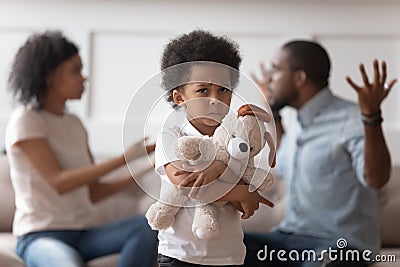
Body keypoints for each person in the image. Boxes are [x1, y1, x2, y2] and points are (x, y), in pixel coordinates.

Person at [5, 31, 158, 267]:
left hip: (84, 233)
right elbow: (60, 182)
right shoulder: (26, 120)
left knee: (148, 227)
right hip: (40, 235)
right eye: (75, 70)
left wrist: (147, 166)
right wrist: (125, 158)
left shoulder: (75, 124)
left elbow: (94, 192)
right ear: (49, 76)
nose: (84, 78)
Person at [244, 40, 397, 266]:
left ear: (299, 78)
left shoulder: (353, 118)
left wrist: (372, 117)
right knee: (228, 246)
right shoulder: (298, 121)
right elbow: (284, 162)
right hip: (288, 238)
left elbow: (376, 179)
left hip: (339, 245)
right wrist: (272, 110)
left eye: (276, 70)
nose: (269, 80)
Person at [153, 29, 274, 267]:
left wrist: (242, 193)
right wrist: (241, 192)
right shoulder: (172, 136)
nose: (215, 99)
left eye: (223, 90)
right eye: (202, 90)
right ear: (180, 97)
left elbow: (245, 201)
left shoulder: (238, 141)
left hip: (229, 255)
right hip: (179, 254)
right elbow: (187, 184)